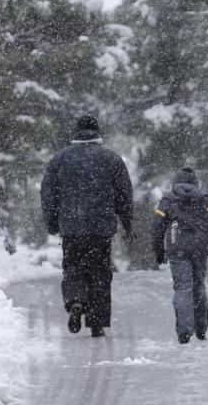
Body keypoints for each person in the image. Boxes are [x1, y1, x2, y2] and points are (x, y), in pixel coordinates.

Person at [41, 115, 133, 338]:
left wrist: (52, 221)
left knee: (73, 268)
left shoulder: (60, 160)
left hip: (72, 227)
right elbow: (124, 193)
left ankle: (75, 302)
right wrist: (126, 220)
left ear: (76, 132)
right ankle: (97, 321)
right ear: (97, 132)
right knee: (100, 273)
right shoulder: (111, 159)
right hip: (101, 229)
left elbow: (48, 194)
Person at [150, 167, 208, 344]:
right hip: (200, 249)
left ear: (175, 182)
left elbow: (156, 227)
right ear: (195, 183)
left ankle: (184, 331)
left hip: (177, 249)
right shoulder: (205, 200)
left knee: (183, 287)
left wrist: (158, 250)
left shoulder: (168, 200)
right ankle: (200, 329)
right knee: (198, 285)